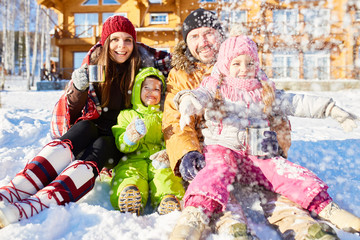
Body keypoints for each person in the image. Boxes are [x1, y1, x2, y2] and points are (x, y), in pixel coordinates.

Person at [162, 8, 343, 239]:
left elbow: (273, 105)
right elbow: (175, 118)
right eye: (194, 37)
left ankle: (304, 227)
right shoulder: (181, 74)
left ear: (220, 34)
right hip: (210, 153)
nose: (203, 42)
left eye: (208, 33)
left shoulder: (244, 62)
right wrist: (187, 153)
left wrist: (275, 145)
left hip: (252, 152)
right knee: (215, 188)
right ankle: (233, 228)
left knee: (276, 187)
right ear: (187, 43)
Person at [0, 15, 171, 228]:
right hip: (93, 125)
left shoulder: (143, 63)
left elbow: (176, 66)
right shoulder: (94, 62)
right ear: (105, 41)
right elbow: (72, 109)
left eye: (128, 40)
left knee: (101, 146)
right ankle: (14, 190)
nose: (122, 46)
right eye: (115, 39)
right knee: (82, 128)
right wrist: (78, 88)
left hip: (118, 137)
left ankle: (37, 204)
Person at [110, 67, 185, 215]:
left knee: (165, 176)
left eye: (157, 89)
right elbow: (122, 144)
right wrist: (130, 137)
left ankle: (168, 200)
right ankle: (129, 196)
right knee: (129, 175)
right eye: (147, 87)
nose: (152, 92)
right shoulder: (127, 115)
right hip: (133, 159)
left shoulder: (165, 116)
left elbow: (172, 139)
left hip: (159, 160)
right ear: (138, 90)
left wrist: (167, 152)